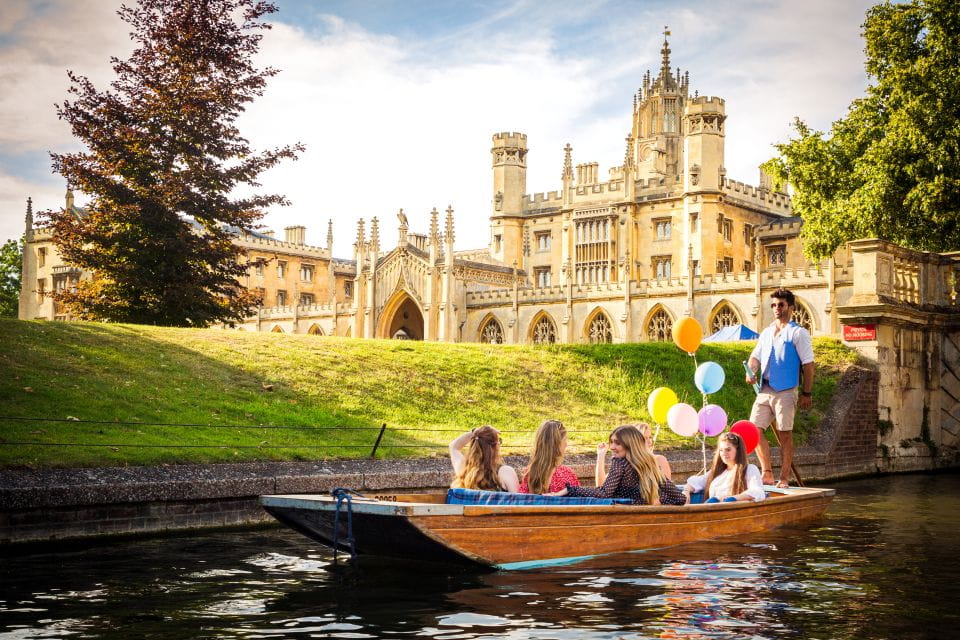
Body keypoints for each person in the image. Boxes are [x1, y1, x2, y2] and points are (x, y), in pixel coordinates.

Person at [745, 287, 814, 488]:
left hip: (786, 390)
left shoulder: (798, 333)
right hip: (765, 390)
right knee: (753, 430)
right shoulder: (766, 333)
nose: (776, 308)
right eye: (774, 305)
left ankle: (784, 477)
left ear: (790, 307)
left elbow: (808, 366)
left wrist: (806, 393)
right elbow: (755, 357)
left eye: (781, 305)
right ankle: (767, 472)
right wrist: (751, 371)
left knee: (785, 434)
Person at [547, 425, 686, 506]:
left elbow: (604, 493)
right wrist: (654, 504)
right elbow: (680, 499)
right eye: (611, 442)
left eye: (617, 443)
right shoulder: (650, 466)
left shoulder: (620, 463)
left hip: (625, 521)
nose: (612, 447)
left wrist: (569, 490)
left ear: (630, 445)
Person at [682, 432, 766, 503]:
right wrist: (686, 491)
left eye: (728, 449)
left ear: (738, 450)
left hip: (733, 513)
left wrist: (733, 498)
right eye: (721, 450)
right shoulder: (717, 472)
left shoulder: (749, 469)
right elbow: (696, 482)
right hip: (712, 511)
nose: (724, 453)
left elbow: (757, 491)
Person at [595, 422, 672, 485]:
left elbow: (667, 492)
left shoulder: (659, 460)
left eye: (650, 437)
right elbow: (601, 486)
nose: (650, 442)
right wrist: (600, 456)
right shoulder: (624, 463)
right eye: (645, 438)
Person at [449, 425, 520, 492]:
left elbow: (453, 446)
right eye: (499, 441)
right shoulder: (505, 472)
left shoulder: (463, 469)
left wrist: (475, 431)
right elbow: (518, 502)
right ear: (496, 446)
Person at [519, 419, 581, 494]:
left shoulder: (529, 474)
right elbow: (580, 501)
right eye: (564, 440)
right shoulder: (566, 474)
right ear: (556, 445)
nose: (566, 444)